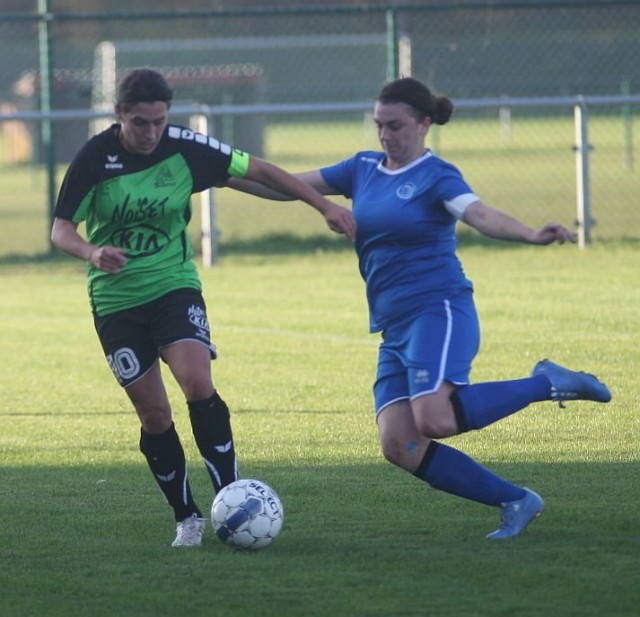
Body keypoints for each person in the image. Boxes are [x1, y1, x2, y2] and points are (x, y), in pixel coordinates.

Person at [227, 76, 612, 539]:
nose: (386, 136)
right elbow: (286, 186)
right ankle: (515, 499)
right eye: (379, 126)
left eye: (395, 125)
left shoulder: (436, 176)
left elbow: (479, 214)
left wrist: (531, 233)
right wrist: (224, 176)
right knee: (401, 444)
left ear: (424, 124)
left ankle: (547, 382)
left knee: (434, 417)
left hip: (438, 310)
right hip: (393, 326)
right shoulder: (362, 169)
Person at [51, 67, 356, 548]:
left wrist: (324, 206)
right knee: (154, 416)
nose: (151, 132)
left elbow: (258, 170)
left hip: (174, 285)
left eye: (159, 121)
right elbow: (60, 229)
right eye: (140, 123)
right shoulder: (95, 158)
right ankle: (186, 516)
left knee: (197, 381)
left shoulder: (184, 146)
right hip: (116, 301)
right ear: (119, 115)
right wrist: (91, 252)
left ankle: (233, 496)